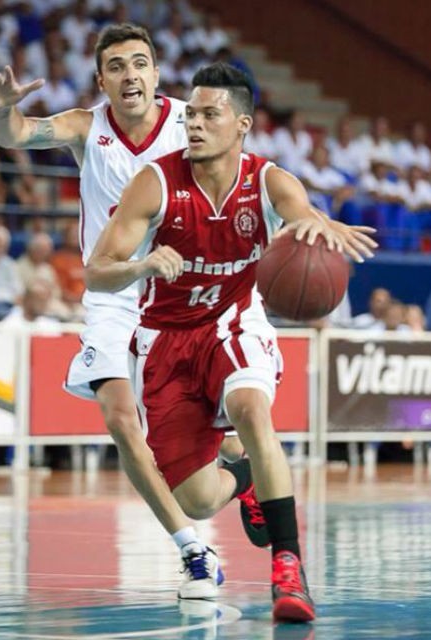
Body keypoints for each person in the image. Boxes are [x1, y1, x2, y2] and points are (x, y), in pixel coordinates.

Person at [85, 62, 376, 622]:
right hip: (165, 339)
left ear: (240, 124)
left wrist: (319, 226)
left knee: (250, 408)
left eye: (208, 114)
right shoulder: (156, 180)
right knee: (195, 498)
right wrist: (142, 263)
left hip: (235, 323)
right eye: (190, 113)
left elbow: (302, 218)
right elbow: (97, 270)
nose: (194, 123)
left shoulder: (267, 181)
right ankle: (244, 477)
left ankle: (289, 570)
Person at [0, 22, 250, 600]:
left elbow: (239, 179)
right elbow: (17, 134)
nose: (130, 74)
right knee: (119, 420)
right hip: (113, 292)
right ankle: (194, 553)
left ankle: (243, 474)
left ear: (156, 72)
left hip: (183, 297)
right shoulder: (86, 126)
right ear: (101, 79)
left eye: (140, 63)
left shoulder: (192, 122)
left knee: (209, 456)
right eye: (117, 66)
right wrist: (3, 111)